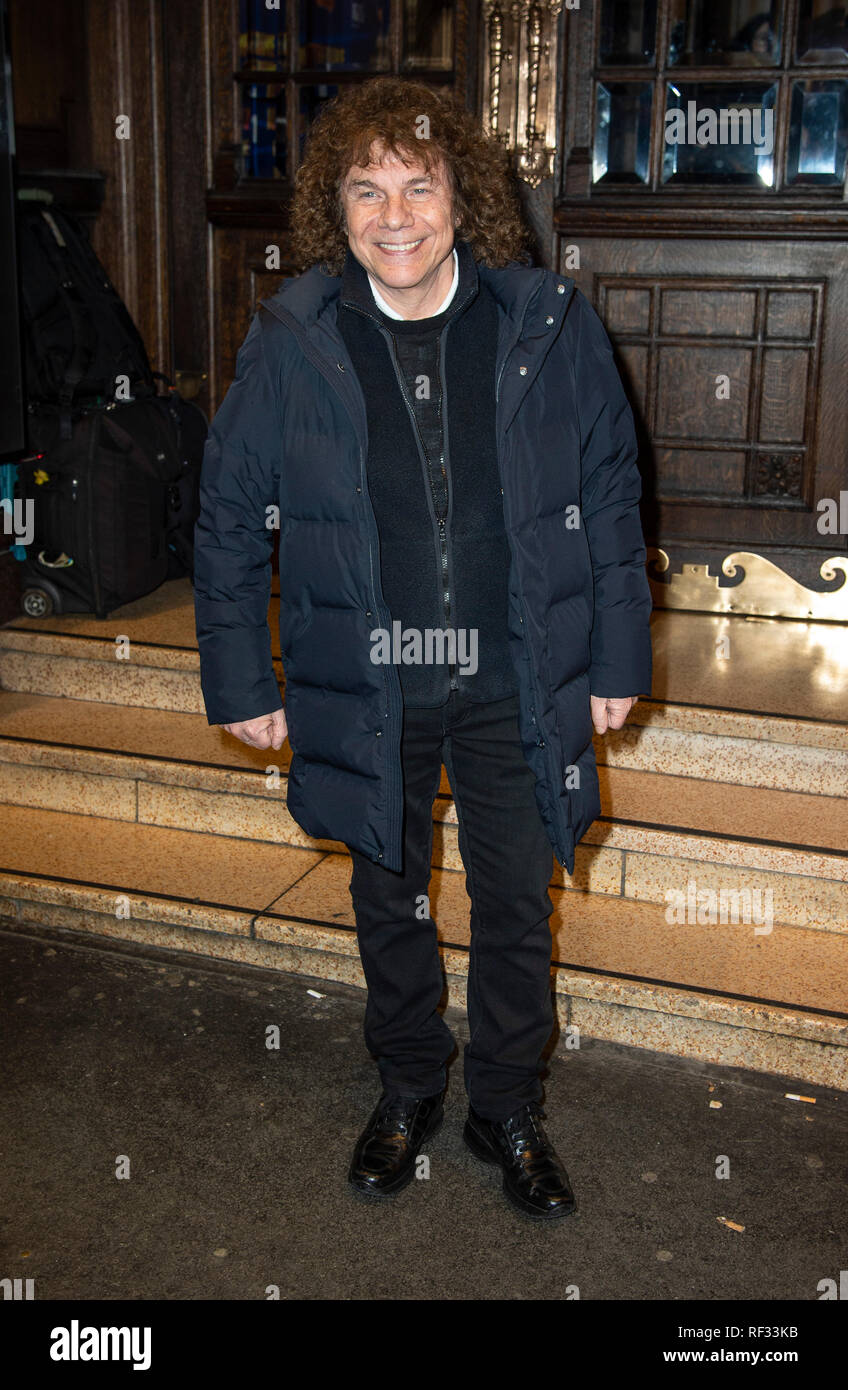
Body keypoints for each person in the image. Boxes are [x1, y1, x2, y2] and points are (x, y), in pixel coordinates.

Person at [193, 77, 652, 1221]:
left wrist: (614, 658)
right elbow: (227, 513)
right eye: (365, 189)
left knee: (512, 902)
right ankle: (406, 1085)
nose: (393, 215)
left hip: (512, 671)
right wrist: (241, 677)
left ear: (463, 200)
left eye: (418, 185)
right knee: (387, 901)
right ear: (334, 208)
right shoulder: (296, 337)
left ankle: (505, 1103)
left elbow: (606, 497)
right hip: (371, 678)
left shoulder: (542, 322)